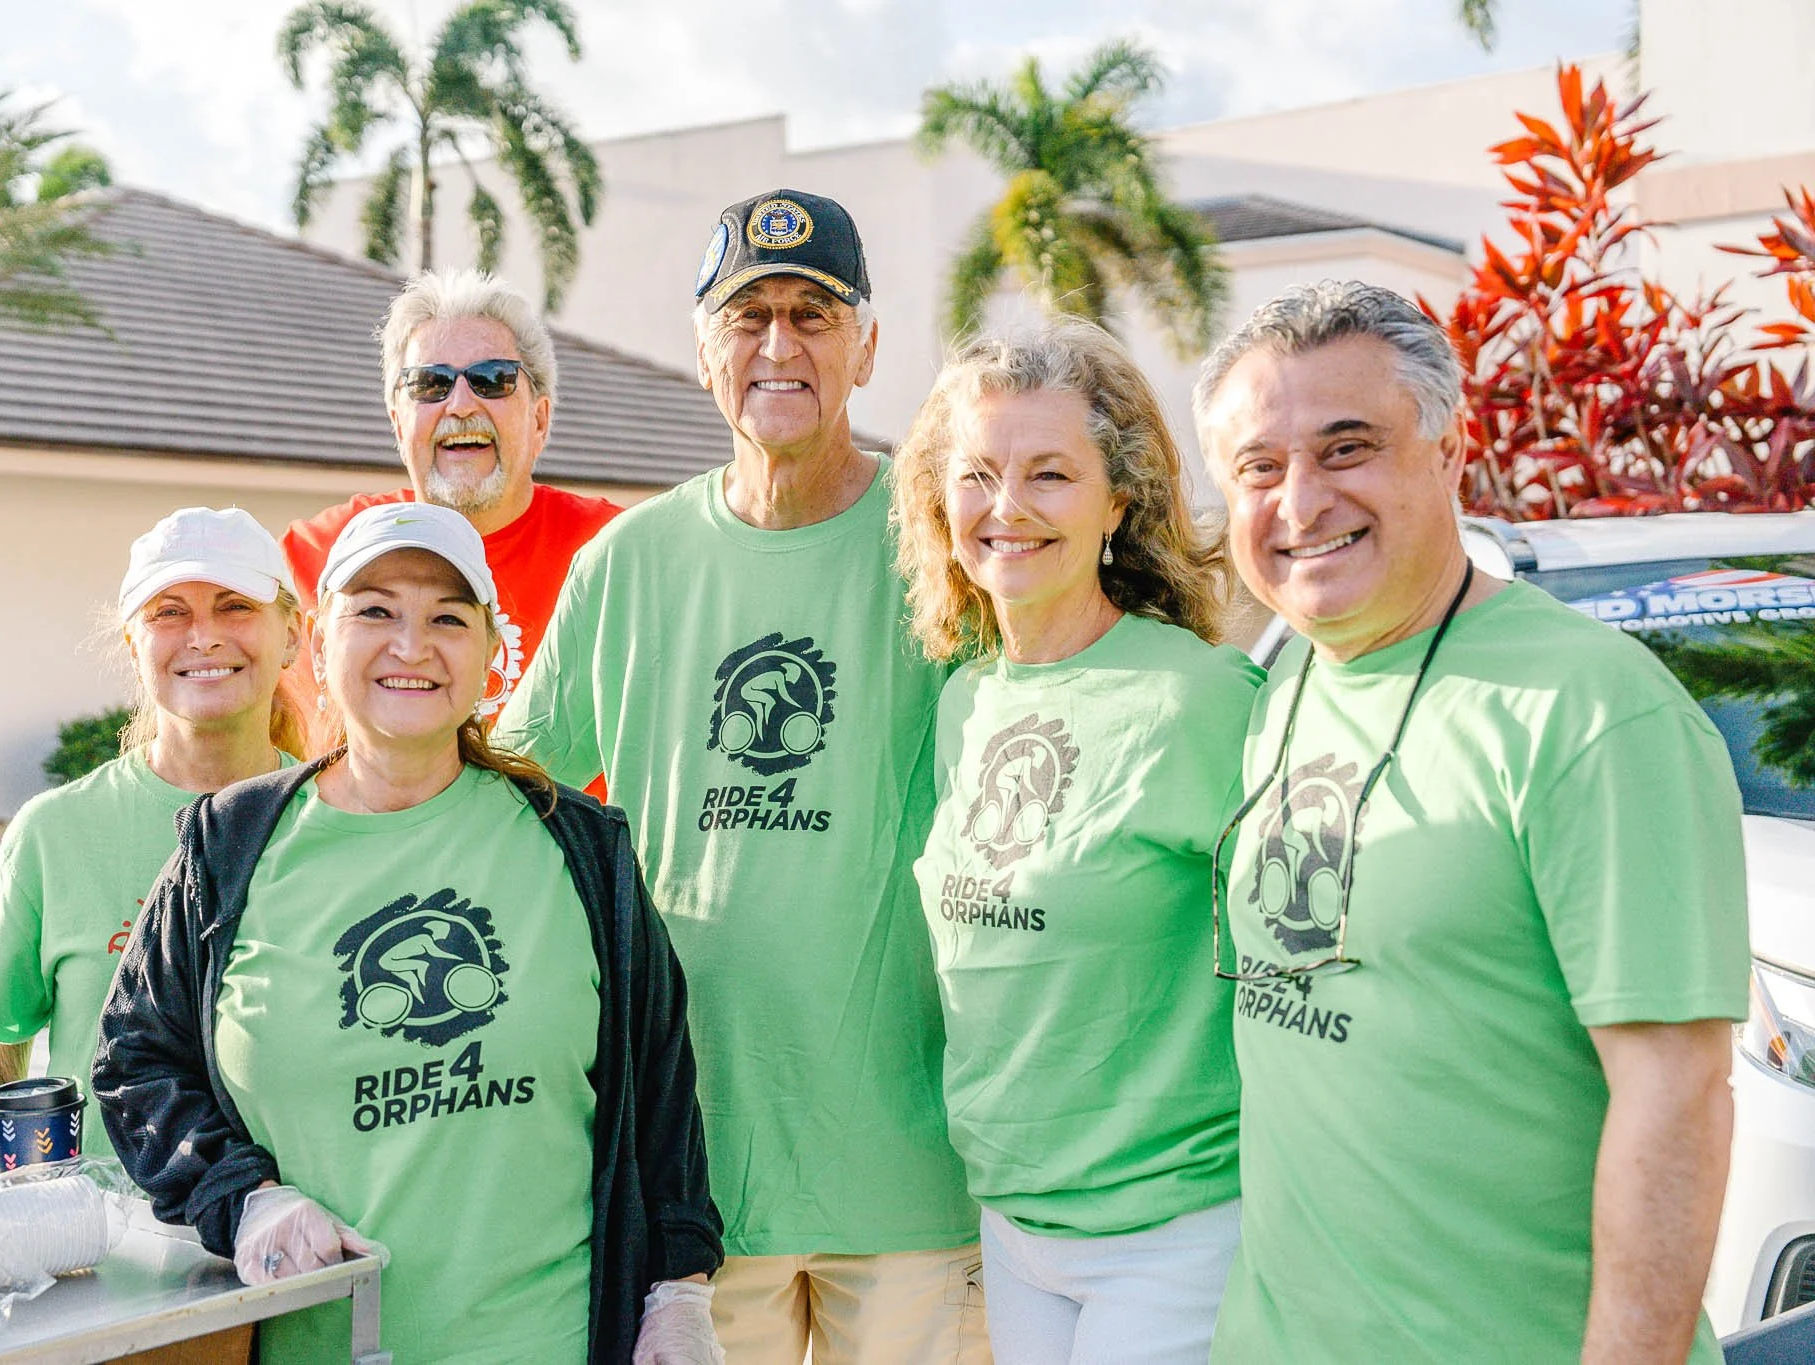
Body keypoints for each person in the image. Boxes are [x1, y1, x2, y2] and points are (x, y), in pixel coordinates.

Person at [1193, 279, 1747, 1364]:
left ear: (1449, 451)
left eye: (1344, 448)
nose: (1298, 502)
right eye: (1258, 467)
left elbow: (1675, 1091)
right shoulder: (1278, 700)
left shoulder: (1594, 711)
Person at [498, 189, 985, 1364]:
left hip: (915, 1160)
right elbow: (506, 798)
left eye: (812, 313)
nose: (779, 345)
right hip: (698, 1169)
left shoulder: (949, 551)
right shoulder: (628, 563)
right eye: (747, 315)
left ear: (865, 345)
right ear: (704, 349)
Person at [94, 502, 724, 1365]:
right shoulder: (230, 847)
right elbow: (135, 1061)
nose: (411, 644)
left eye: (448, 618)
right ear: (318, 644)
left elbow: (662, 1081)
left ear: (493, 655)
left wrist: (679, 1287)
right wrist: (245, 1199)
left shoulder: (582, 847)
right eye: (377, 610)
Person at [891, 317, 1262, 1364]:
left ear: (1117, 501)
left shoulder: (1199, 699)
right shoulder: (965, 699)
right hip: (1014, 1226)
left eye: (1048, 474)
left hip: (1175, 1233)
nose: (1004, 509)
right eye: (976, 474)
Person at [0, 507, 306, 1161]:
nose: (203, 636)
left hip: (307, 1248)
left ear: (293, 634)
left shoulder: (340, 818)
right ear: (132, 642)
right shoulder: (55, 833)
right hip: (112, 1253)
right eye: (169, 612)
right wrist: (20, 1227)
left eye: (234, 605)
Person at [282, 269, 620, 725]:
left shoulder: (616, 552)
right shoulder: (310, 556)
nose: (460, 404)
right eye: (430, 384)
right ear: (398, 423)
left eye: (493, 379)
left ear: (539, 420)